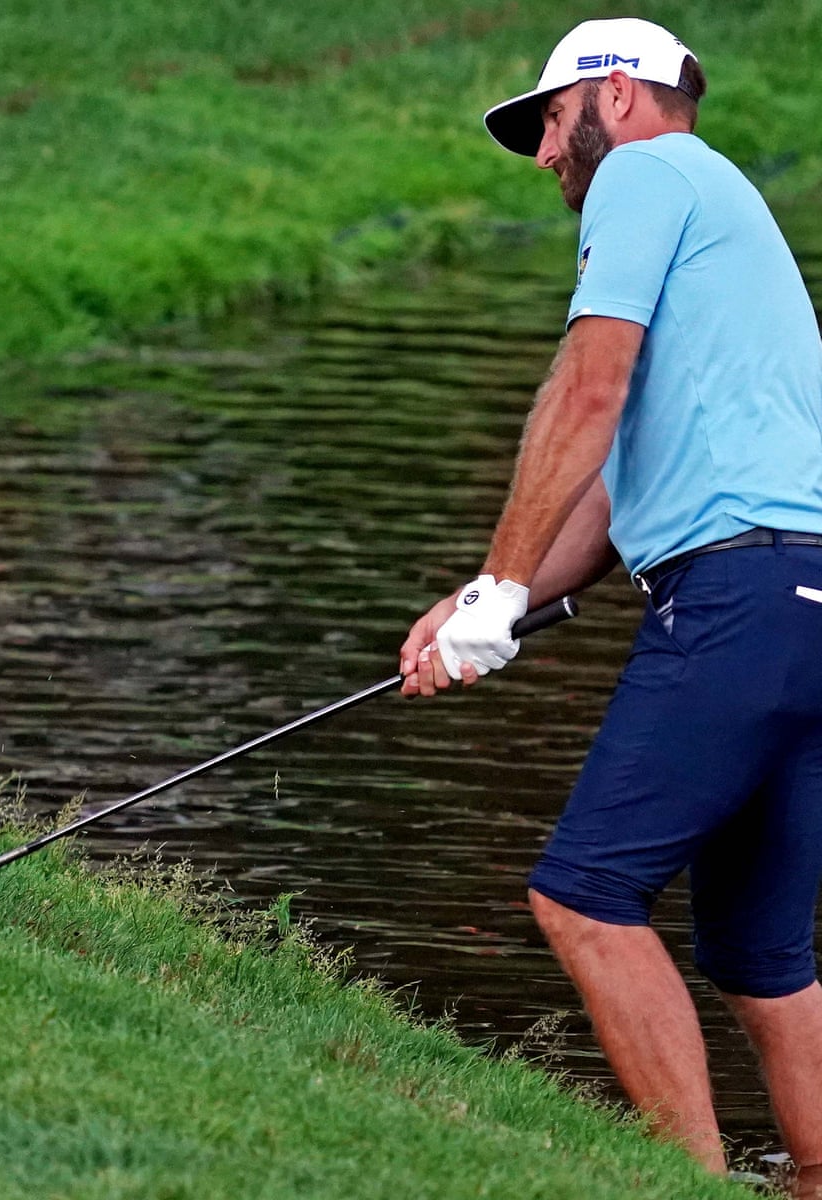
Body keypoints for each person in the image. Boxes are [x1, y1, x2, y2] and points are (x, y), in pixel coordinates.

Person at [398, 17, 822, 1181]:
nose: (544, 155)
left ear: (617, 96)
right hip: (802, 602)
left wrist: (494, 592)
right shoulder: (718, 204)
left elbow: (586, 389)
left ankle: (679, 1181)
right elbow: (608, 488)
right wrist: (491, 604)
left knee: (584, 896)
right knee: (759, 950)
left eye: (547, 120)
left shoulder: (643, 173)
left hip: (738, 595)